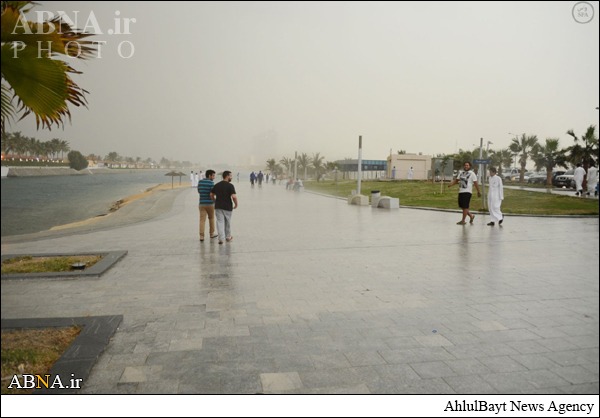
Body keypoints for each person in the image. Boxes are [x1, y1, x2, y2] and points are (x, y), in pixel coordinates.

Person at [210, 170, 238, 244]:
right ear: (227, 176)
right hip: (227, 206)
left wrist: (214, 201)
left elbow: (211, 194)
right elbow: (234, 197)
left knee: (220, 222)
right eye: (230, 176)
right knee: (227, 222)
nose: (231, 177)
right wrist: (236, 204)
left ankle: (221, 239)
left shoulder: (217, 185)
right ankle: (228, 237)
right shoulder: (230, 185)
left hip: (218, 206)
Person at [197, 169, 218, 242]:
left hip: (202, 203)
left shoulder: (200, 182)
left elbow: (199, 191)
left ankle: (201, 236)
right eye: (213, 175)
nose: (214, 177)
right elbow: (213, 193)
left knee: (202, 220)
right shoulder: (211, 183)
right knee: (211, 218)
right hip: (210, 203)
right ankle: (211, 234)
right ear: (209, 175)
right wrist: (214, 200)